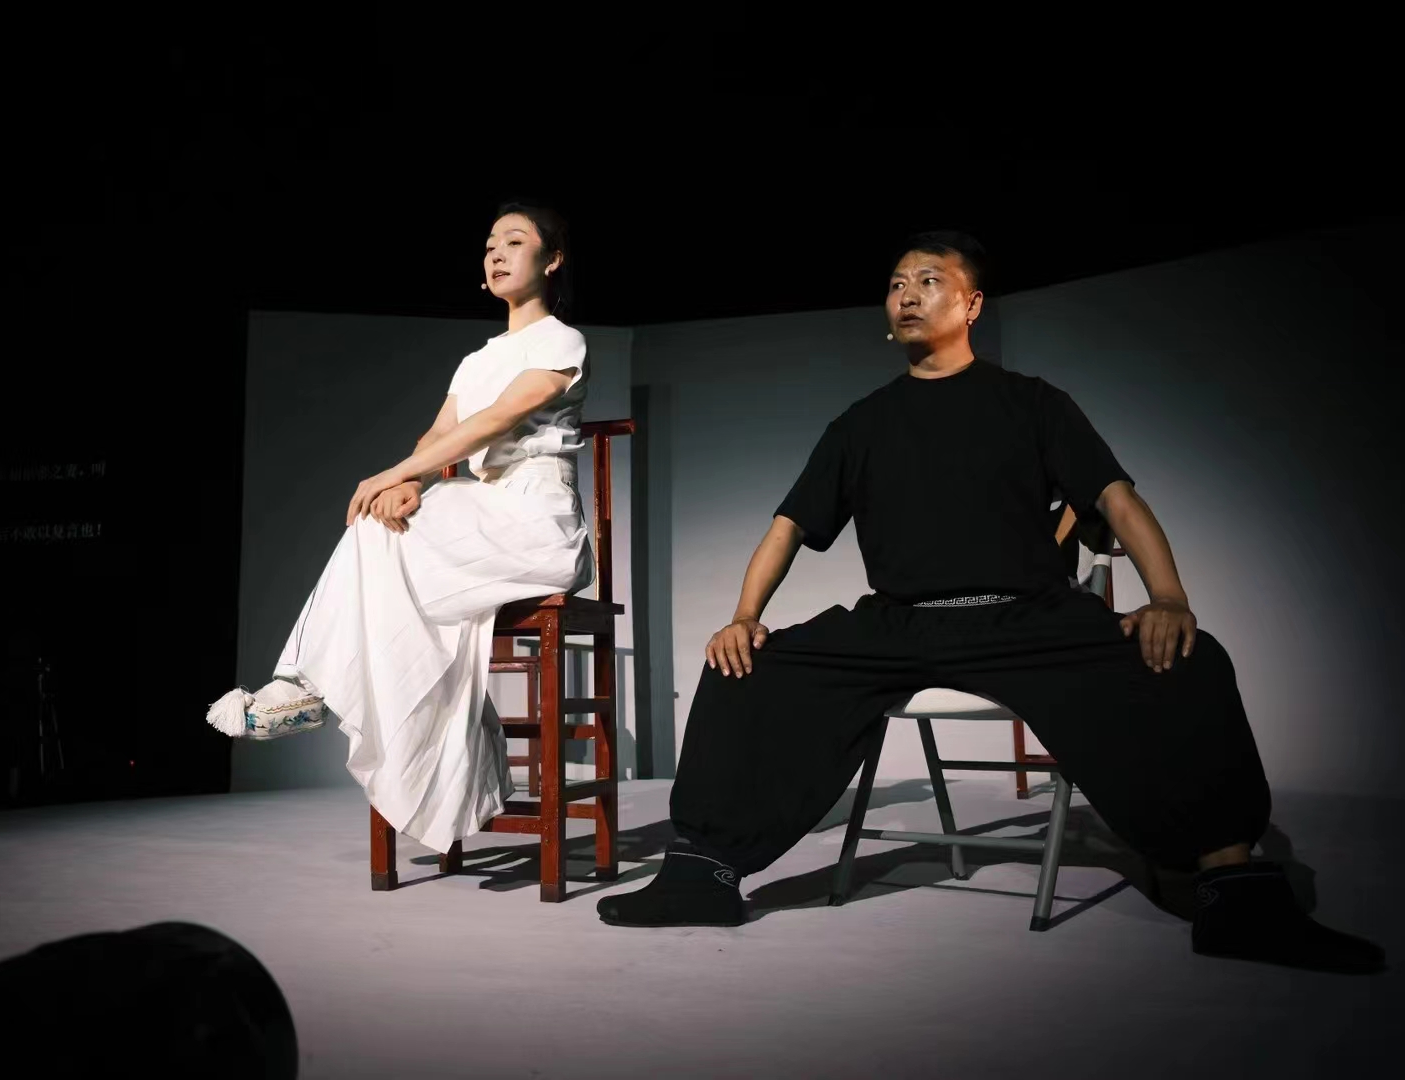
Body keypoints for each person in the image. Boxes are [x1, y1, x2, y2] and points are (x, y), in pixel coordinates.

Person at [595, 231, 1385, 975]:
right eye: (896, 284)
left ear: (971, 304)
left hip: (1024, 616)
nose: (907, 295)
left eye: (928, 281)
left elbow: (1117, 498)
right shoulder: (862, 423)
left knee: (1192, 658)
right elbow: (787, 527)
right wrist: (744, 615)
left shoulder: (1033, 403)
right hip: (901, 623)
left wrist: (1169, 596)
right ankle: (700, 873)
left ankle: (1235, 891)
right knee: (741, 667)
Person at [206, 203, 594, 854]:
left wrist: (395, 473)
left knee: (381, 542)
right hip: (481, 513)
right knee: (376, 529)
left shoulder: (562, 340)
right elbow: (439, 434)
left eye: (514, 241)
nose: (496, 254)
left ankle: (312, 689)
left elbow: (497, 419)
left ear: (552, 260)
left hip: (536, 520)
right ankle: (307, 690)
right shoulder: (476, 360)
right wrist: (411, 482)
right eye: (489, 245)